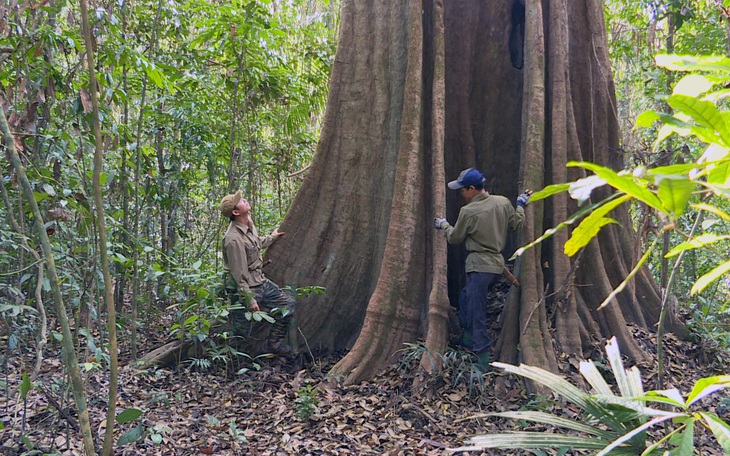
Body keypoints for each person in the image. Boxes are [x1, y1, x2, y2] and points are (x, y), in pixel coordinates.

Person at [434, 168, 532, 368]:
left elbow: (455, 238)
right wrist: (521, 204)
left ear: (472, 189)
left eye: (463, 190)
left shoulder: (468, 211)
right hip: (496, 267)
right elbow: (517, 224)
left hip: (479, 267)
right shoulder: (503, 202)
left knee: (476, 309)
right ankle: (468, 336)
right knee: (465, 298)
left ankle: (483, 357)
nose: (461, 193)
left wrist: (443, 225)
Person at [219, 190, 295, 356]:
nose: (244, 200)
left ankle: (273, 343)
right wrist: (249, 299)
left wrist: (272, 237)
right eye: (240, 201)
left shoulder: (248, 223)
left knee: (288, 305)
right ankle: (233, 366)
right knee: (241, 331)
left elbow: (256, 243)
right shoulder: (232, 239)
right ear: (235, 212)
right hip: (247, 289)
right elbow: (238, 273)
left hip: (260, 282)